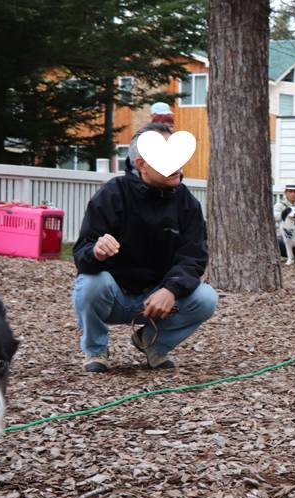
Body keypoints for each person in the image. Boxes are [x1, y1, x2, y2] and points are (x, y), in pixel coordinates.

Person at [72, 122, 218, 372]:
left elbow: (193, 258)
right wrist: (96, 251)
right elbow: (82, 254)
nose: (178, 166)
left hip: (157, 300)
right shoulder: (112, 194)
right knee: (90, 283)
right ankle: (96, 350)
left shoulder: (188, 204)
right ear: (141, 164)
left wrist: (170, 289)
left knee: (206, 298)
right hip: (114, 296)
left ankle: (152, 342)